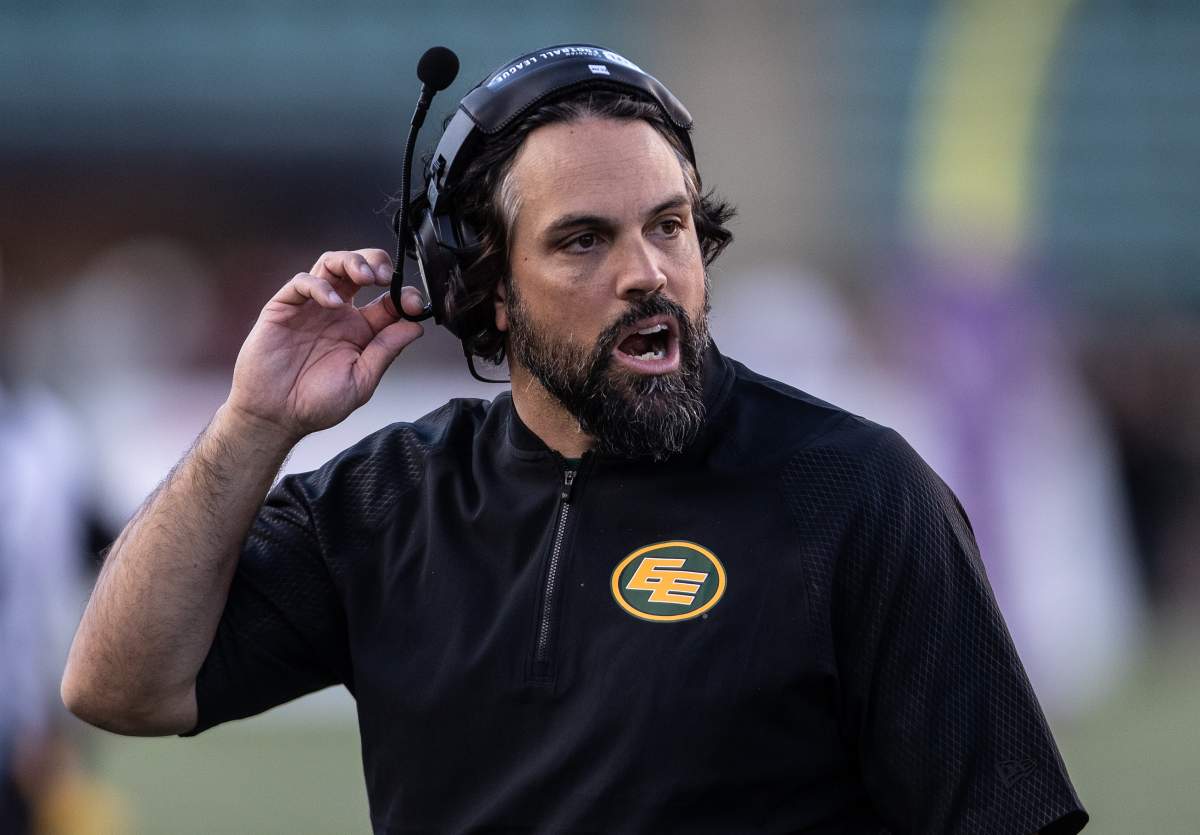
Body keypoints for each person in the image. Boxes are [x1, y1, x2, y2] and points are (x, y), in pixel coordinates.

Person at [61, 44, 1088, 834]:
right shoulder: (387, 503)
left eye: (670, 225)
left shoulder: (856, 493)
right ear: (490, 291)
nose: (647, 272)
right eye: (583, 240)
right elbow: (120, 685)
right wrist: (256, 421)